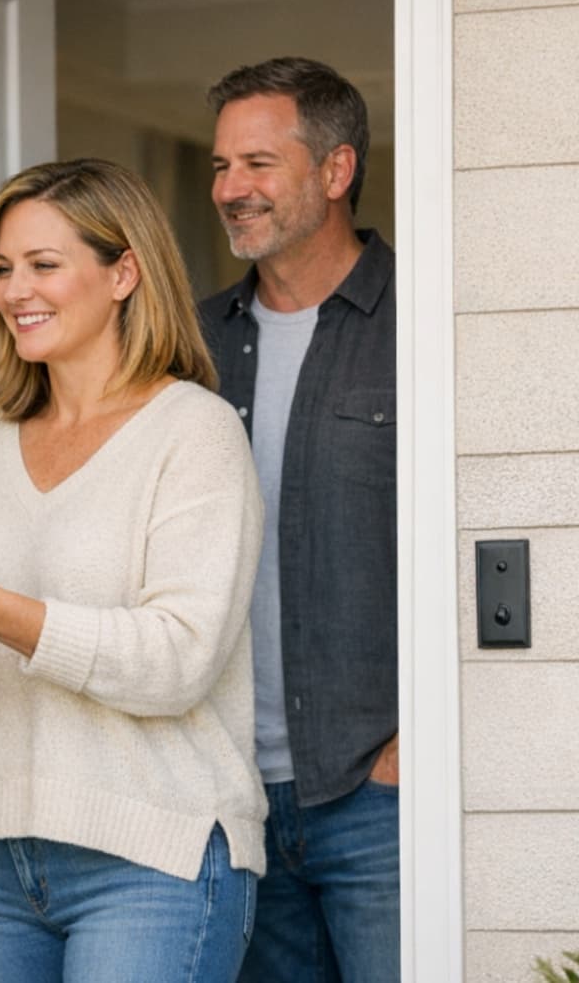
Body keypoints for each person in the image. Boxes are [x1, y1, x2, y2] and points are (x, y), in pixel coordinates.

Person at [0, 158, 265, 983]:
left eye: (43, 265)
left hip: (154, 858)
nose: (14, 290)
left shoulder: (195, 431)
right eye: (3, 269)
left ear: (123, 273)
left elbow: (178, 662)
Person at [198, 57, 399, 982]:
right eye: (219, 167)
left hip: (376, 790)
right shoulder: (185, 345)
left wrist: (412, 748)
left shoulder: (422, 322)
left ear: (335, 169)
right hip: (231, 793)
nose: (230, 189)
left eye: (258, 165)